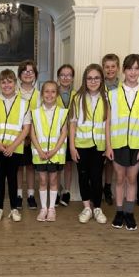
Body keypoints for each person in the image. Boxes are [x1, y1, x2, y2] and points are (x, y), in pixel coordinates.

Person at [105, 54, 139, 230]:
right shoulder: (113, 94)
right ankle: (119, 212)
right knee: (119, 178)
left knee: (132, 179)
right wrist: (108, 145)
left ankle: (129, 213)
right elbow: (108, 121)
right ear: (124, 70)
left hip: (137, 144)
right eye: (130, 68)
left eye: (137, 68)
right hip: (118, 143)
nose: (133, 72)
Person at [0, 69, 31, 222]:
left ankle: (14, 209)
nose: (7, 85)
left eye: (10, 82)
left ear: (15, 83)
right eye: (3, 82)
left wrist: (12, 146)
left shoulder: (24, 103)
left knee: (12, 178)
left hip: (15, 148)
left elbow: (26, 129)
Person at [70, 64, 109, 224]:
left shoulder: (107, 98)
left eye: (96, 78)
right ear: (85, 80)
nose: (93, 81)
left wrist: (108, 146)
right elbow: (72, 123)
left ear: (101, 80)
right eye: (90, 78)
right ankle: (87, 207)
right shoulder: (77, 98)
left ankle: (97, 208)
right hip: (81, 145)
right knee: (83, 176)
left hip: (99, 145)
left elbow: (108, 124)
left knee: (96, 177)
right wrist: (72, 147)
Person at [31, 81, 68, 222]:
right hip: (39, 153)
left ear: (57, 94)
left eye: (53, 91)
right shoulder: (35, 113)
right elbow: (32, 134)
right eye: (46, 91)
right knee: (42, 180)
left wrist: (54, 150)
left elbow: (64, 133)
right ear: (42, 94)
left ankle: (52, 209)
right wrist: (40, 150)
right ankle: (43, 209)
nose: (50, 94)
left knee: (53, 180)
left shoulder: (62, 112)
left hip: (55, 153)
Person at [16, 60, 40, 210]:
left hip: (34, 137)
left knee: (31, 167)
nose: (28, 74)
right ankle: (18, 195)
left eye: (31, 71)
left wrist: (33, 136)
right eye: (24, 71)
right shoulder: (14, 93)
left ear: (35, 75)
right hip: (18, 136)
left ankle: (31, 195)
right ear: (19, 75)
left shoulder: (40, 95)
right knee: (18, 167)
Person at [102, 53, 121, 205]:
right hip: (99, 127)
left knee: (110, 160)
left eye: (113, 66)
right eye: (107, 67)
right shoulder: (97, 84)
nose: (110, 70)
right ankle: (95, 187)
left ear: (118, 68)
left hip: (116, 128)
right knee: (98, 160)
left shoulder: (123, 87)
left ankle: (107, 187)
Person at [56, 64, 76, 207]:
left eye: (69, 75)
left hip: (72, 135)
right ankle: (56, 191)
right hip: (56, 136)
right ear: (58, 77)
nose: (65, 78)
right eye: (62, 75)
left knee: (68, 164)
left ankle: (67, 191)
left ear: (73, 78)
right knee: (57, 165)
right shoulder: (52, 92)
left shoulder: (77, 94)